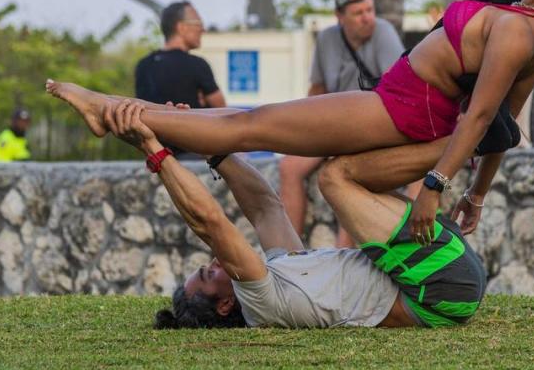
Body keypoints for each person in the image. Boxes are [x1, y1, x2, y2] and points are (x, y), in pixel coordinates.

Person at [47, 0, 534, 246]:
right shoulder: (528, 28)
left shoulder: (517, 33)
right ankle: (127, 112)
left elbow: (485, 120)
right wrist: (477, 194)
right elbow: (505, 128)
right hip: (398, 101)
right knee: (249, 122)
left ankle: (116, 110)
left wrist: (437, 187)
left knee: (251, 125)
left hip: (404, 111)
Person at [104, 99, 484, 328]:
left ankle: (459, 140)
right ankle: (464, 140)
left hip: (447, 277)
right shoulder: (260, 302)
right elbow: (210, 223)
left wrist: (206, 143)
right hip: (438, 291)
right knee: (335, 177)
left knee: (345, 165)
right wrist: (153, 148)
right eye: (209, 273)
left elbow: (264, 206)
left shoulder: (279, 272)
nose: (215, 261)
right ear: (225, 304)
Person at [279, 0, 405, 247]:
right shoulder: (326, 39)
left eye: (369, 10)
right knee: (289, 167)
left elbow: (399, 88)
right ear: (340, 17)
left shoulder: (383, 32)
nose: (367, 17)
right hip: (335, 124)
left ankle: (342, 254)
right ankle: (288, 253)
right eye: (358, 13)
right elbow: (317, 90)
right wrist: (300, 130)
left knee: (344, 171)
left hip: (373, 123)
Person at [134, 0, 226, 109]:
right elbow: (221, 109)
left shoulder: (144, 65)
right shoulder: (197, 65)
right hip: (189, 125)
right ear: (181, 27)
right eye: (198, 24)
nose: (202, 30)